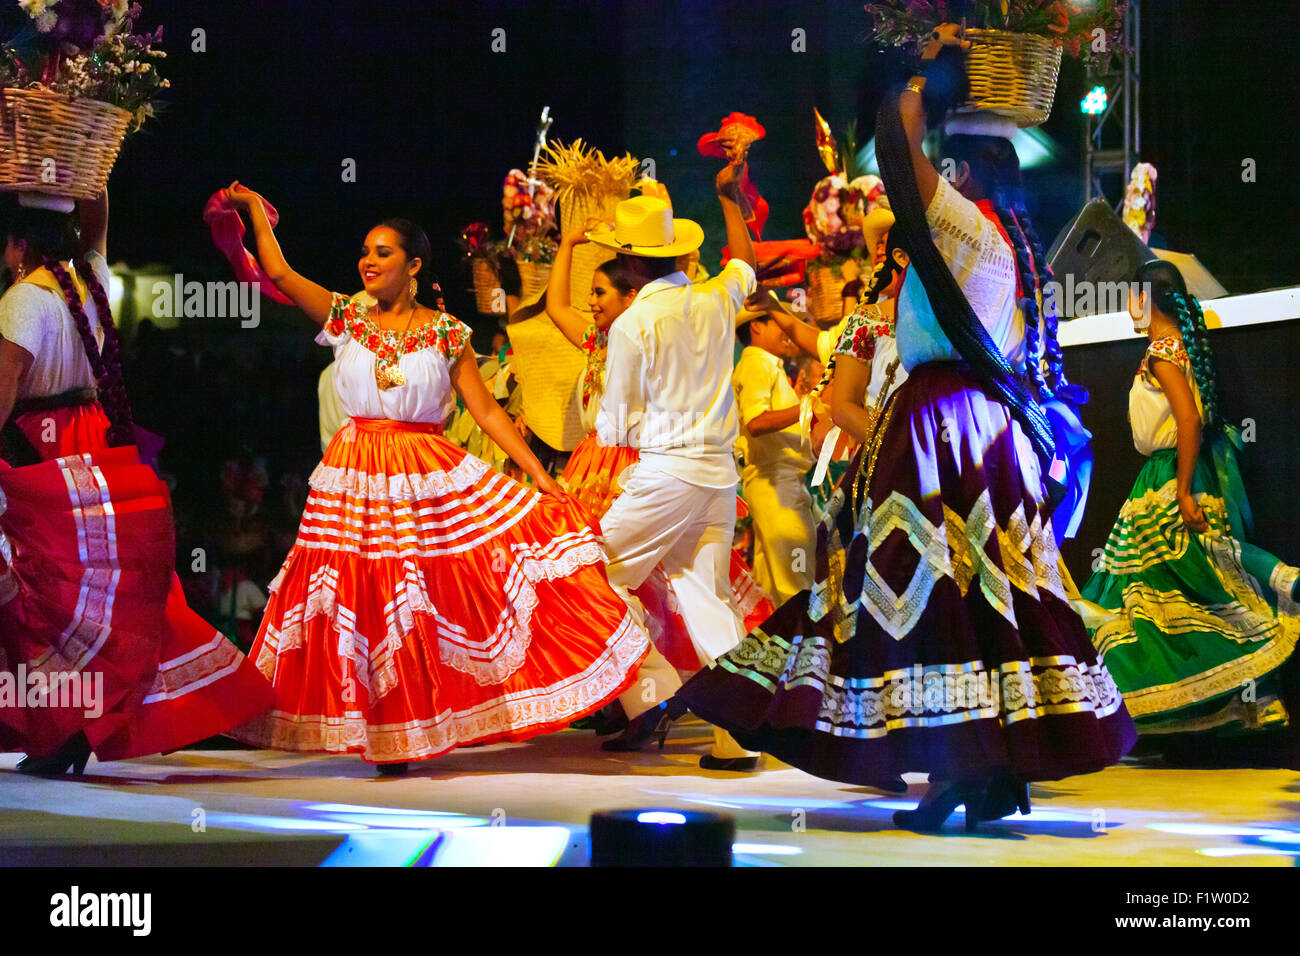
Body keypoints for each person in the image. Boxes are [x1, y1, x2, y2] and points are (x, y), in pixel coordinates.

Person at [675, 27, 1135, 824]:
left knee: (921, 595)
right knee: (986, 595)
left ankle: (960, 772)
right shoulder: (1004, 250)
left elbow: (894, 146)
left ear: (966, 176)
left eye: (949, 167)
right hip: (989, 431)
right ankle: (994, 768)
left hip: (935, 430)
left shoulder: (961, 227)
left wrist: (917, 77)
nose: (934, 179)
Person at [217, 182, 649, 774]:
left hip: (422, 470)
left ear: (414, 265)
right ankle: (380, 727)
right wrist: (252, 213)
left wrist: (536, 476)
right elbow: (281, 272)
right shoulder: (346, 317)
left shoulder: (446, 333)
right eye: (365, 251)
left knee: (423, 595)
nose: (368, 260)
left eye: (384, 252)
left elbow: (488, 410)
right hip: (354, 473)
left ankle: (415, 726)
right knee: (359, 596)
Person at [0, 192, 273, 775]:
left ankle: (61, 728)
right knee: (101, 597)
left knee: (39, 596)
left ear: (18, 245)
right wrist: (94, 171)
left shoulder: (22, 299)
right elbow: (100, 221)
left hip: (38, 456)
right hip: (93, 447)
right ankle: (75, 727)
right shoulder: (88, 279)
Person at [589, 162, 764, 771]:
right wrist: (728, 199)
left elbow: (612, 426)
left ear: (631, 265)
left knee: (588, 577)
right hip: (718, 475)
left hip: (666, 473)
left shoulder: (634, 322)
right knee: (707, 598)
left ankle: (655, 693)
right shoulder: (716, 299)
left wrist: (632, 426)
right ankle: (735, 738)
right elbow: (746, 267)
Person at [1078, 259, 1300, 739]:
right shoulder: (1181, 348)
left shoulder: (1162, 351)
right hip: (1189, 471)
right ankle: (1244, 703)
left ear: (1146, 299)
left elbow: (1188, 420)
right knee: (1191, 592)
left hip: (1168, 477)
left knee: (1153, 599)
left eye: (1131, 297)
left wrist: (1179, 491)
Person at [733, 307, 816, 605]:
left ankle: (782, 649)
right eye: (780, 323)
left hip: (777, 487)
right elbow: (756, 421)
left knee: (772, 586)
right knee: (798, 580)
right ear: (756, 326)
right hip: (777, 488)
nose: (787, 331)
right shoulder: (758, 364)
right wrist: (808, 406)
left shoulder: (765, 366)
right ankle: (808, 649)